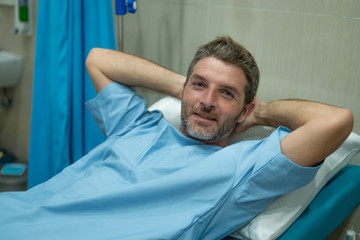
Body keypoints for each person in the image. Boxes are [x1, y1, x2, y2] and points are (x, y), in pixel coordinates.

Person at [0, 36, 353, 240]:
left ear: (244, 110)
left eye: (227, 94)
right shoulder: (140, 125)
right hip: (15, 214)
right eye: (200, 85)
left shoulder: (240, 170)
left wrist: (261, 112)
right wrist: (186, 88)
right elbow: (98, 59)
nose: (208, 102)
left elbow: (336, 121)